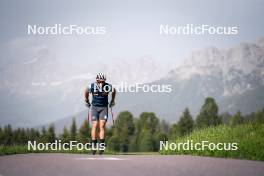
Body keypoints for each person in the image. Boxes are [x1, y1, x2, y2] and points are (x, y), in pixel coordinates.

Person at [84, 73, 116, 155]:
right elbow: (86, 91)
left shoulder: (107, 86)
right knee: (95, 125)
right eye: (99, 81)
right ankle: (94, 145)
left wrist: (112, 100)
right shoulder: (92, 86)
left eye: (103, 81)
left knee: (102, 126)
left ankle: (101, 145)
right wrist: (86, 100)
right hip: (94, 107)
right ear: (96, 81)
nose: (101, 83)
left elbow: (114, 90)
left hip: (104, 108)